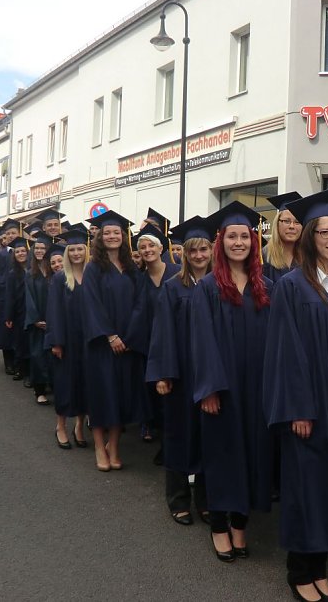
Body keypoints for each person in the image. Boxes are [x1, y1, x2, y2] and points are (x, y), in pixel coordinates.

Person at [263, 189, 328, 602]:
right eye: (325, 232)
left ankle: (321, 570)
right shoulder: (291, 286)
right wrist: (298, 409)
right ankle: (299, 573)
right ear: (309, 236)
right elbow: (286, 353)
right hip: (308, 411)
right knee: (306, 490)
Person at [190, 201, 272, 563]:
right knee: (223, 456)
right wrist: (208, 387)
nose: (239, 242)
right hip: (223, 389)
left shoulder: (265, 287)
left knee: (253, 455)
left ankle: (241, 523)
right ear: (220, 242)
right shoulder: (207, 288)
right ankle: (219, 525)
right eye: (232, 237)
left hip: (256, 387)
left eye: (245, 236)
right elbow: (202, 341)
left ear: (253, 242)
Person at [146, 216, 214, 526]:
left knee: (206, 437)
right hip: (181, 375)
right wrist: (163, 374)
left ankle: (205, 498)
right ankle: (177, 498)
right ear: (183, 254)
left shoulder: (219, 285)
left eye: (203, 249)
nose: (199, 256)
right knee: (178, 435)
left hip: (211, 376)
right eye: (193, 251)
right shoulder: (174, 287)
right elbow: (163, 333)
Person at [81, 210, 148, 471]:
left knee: (121, 396)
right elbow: (91, 305)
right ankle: (100, 446)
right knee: (101, 395)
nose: (112, 236)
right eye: (107, 232)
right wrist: (110, 335)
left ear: (123, 236)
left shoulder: (132, 268)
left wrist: (128, 337)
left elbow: (141, 305)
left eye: (116, 232)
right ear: (99, 236)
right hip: (102, 345)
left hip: (126, 346)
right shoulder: (93, 268)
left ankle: (115, 447)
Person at [134, 223, 182, 447]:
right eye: (142, 247)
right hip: (148, 341)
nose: (146, 250)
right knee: (150, 388)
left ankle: (171, 436)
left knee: (172, 389)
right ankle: (151, 424)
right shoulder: (139, 279)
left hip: (173, 339)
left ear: (161, 248)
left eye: (150, 245)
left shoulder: (176, 273)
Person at [45, 230, 90, 450]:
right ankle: (61, 426)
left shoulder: (93, 276)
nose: (76, 253)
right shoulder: (60, 278)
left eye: (80, 248)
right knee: (65, 384)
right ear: (66, 253)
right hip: (67, 340)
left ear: (86, 250)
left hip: (89, 341)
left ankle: (79, 426)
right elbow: (53, 312)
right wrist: (56, 341)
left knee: (85, 385)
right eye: (71, 249)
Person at [0, 219, 22, 375]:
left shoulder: (24, 252)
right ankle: (8, 362)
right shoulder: (1, 254)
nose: (11, 236)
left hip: (20, 298)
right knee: (4, 331)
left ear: (19, 234)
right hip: (2, 297)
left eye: (14, 233)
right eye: (8, 233)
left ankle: (19, 362)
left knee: (19, 330)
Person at [25, 231, 53, 405]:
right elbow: (28, 297)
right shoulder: (30, 273)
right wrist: (35, 319)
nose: (40, 251)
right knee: (37, 356)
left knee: (53, 354)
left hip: (54, 321)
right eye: (37, 248)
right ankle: (39, 391)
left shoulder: (55, 271)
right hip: (38, 322)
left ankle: (54, 385)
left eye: (43, 248)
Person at [4, 237, 31, 385]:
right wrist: (9, 315)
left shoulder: (34, 270)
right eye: (18, 252)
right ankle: (23, 370)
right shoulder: (12, 273)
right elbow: (9, 296)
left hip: (32, 312)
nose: (21, 254)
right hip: (19, 312)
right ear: (14, 255)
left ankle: (29, 372)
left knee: (30, 343)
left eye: (23, 251)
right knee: (20, 342)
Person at [262, 192, 303, 283]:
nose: (292, 226)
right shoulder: (263, 256)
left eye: (297, 222)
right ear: (277, 223)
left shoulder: (308, 257)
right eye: (286, 221)